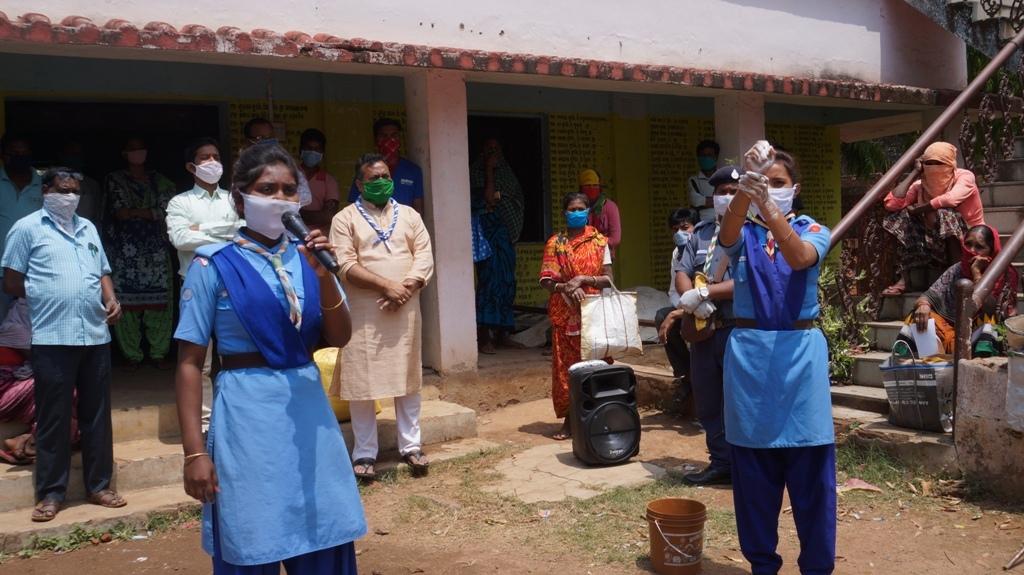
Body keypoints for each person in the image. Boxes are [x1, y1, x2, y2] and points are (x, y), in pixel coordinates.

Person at [173, 143, 366, 572]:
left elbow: (340, 336)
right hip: (247, 416)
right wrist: (193, 453)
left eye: (288, 189)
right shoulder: (213, 267)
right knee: (254, 527)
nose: (279, 198)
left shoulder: (307, 259)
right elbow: (189, 363)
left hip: (308, 412)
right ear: (240, 199)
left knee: (322, 525)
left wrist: (325, 278)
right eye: (267, 188)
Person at [714, 142, 836, 573]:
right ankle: (762, 565)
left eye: (778, 183)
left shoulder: (813, 229)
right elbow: (725, 235)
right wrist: (747, 188)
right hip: (750, 363)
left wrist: (769, 207)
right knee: (753, 478)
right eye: (766, 181)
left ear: (794, 187)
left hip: (800, 363)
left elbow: (800, 257)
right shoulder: (742, 233)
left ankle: (817, 567)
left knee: (812, 480)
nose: (772, 188)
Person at [2, 167, 125, 522]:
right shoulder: (27, 229)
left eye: (74, 191)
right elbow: (12, 281)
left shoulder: (88, 228)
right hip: (52, 336)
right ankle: (51, 494)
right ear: (46, 191)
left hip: (95, 335)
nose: (69, 196)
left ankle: (99, 485)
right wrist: (46, 292)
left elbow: (102, 269)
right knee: (53, 416)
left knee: (97, 414)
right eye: (62, 190)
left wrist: (111, 297)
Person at [332, 153, 435, 481]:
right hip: (364, 310)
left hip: (405, 306)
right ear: (359, 184)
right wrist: (386, 287)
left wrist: (403, 288)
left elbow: (424, 256)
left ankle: (411, 446)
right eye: (374, 179)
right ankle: (364, 452)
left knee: (407, 378)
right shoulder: (344, 219)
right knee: (363, 383)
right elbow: (345, 264)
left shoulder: (410, 215)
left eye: (386, 176)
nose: (382, 182)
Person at [665, 165, 742, 486]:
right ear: (713, 197)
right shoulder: (701, 234)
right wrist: (691, 297)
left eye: (734, 192)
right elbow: (683, 270)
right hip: (703, 329)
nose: (728, 197)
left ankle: (746, 465)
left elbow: (750, 282)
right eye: (723, 192)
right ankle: (720, 462)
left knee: (739, 400)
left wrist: (708, 291)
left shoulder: (753, 233)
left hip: (739, 330)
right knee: (708, 398)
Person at [165, 137, 243, 430]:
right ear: (191, 166)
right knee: (200, 359)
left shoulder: (234, 199)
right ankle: (205, 423)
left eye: (216, 156)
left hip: (234, 282)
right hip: (195, 285)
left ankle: (233, 415)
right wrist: (225, 232)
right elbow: (180, 239)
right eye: (204, 157)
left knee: (236, 353)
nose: (212, 162)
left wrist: (202, 230)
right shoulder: (180, 202)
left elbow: (244, 232)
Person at [539, 192, 614, 440]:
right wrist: (566, 287)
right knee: (566, 370)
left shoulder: (599, 242)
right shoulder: (555, 243)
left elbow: (608, 280)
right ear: (564, 212)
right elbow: (547, 280)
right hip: (565, 314)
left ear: (588, 212)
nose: (576, 212)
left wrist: (584, 279)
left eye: (581, 208)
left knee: (596, 366)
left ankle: (599, 418)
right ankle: (570, 421)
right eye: (572, 209)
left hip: (593, 315)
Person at [104, 137, 176, 370]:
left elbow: (167, 212)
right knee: (125, 305)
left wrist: (136, 212)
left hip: (155, 252)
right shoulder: (114, 180)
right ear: (124, 153)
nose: (138, 152)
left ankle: (158, 354)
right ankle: (132, 356)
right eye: (132, 149)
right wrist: (149, 212)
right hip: (125, 253)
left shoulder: (162, 181)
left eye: (141, 148)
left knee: (160, 305)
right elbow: (118, 212)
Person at [896, 224, 1018, 358]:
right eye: (968, 244)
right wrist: (923, 305)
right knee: (918, 314)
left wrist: (977, 274)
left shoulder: (1005, 274)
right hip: (949, 330)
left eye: (979, 247)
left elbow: (991, 309)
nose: (972, 250)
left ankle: (976, 371)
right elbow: (927, 296)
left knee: (988, 323)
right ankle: (934, 364)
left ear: (991, 250)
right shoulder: (957, 269)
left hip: (976, 332)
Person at [882, 141, 984, 295]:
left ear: (950, 164)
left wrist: (921, 208)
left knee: (945, 213)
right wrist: (915, 173)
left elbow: (950, 199)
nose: (934, 168)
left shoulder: (965, 176)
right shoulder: (921, 184)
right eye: (929, 163)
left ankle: (955, 274)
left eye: (939, 163)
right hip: (931, 241)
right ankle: (905, 278)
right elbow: (891, 204)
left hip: (970, 237)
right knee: (900, 216)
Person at [471, 137, 525, 354]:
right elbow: (489, 199)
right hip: (487, 233)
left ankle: (504, 335)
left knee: (507, 282)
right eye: (488, 149)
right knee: (489, 283)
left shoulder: (507, 174)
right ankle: (485, 337)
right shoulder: (476, 173)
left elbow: (515, 200)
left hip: (504, 235)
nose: (493, 153)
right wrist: (488, 171)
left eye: (496, 149)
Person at [654, 207, 700, 404]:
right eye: (674, 230)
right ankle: (686, 375)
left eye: (685, 227)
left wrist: (681, 313)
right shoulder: (676, 253)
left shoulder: (706, 247)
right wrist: (682, 311)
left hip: (709, 306)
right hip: (687, 307)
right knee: (662, 316)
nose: (680, 233)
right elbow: (674, 291)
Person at [0, 134, 44, 321]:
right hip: (0, 272)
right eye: (13, 153)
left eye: (23, 152)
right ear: (3, 155)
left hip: (35, 272)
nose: (18, 156)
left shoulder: (45, 185)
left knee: (32, 333)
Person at [347, 118, 425, 212]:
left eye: (394, 135)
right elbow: (353, 207)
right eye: (384, 136)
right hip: (370, 223)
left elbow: (418, 209)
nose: (389, 140)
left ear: (399, 139)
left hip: (403, 224)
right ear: (376, 140)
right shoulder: (365, 170)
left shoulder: (413, 171)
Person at [296, 128, 341, 235]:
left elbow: (327, 216)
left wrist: (295, 214)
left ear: (323, 153)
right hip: (291, 235)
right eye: (309, 148)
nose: (313, 152)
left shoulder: (329, 180)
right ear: (301, 149)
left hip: (320, 237)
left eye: (317, 149)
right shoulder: (289, 175)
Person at [578, 169, 621, 258]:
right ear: (581, 188)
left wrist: (594, 243)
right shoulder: (578, 207)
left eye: (595, 185)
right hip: (581, 257)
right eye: (588, 186)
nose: (591, 188)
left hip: (604, 257)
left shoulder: (610, 207)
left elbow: (615, 239)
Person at [688, 139, 721, 223]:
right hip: (702, 225)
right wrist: (720, 200)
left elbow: (730, 200)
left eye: (709, 155)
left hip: (723, 223)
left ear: (716, 157)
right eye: (703, 155)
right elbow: (696, 201)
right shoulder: (693, 180)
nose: (706, 158)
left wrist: (705, 202)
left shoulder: (722, 177)